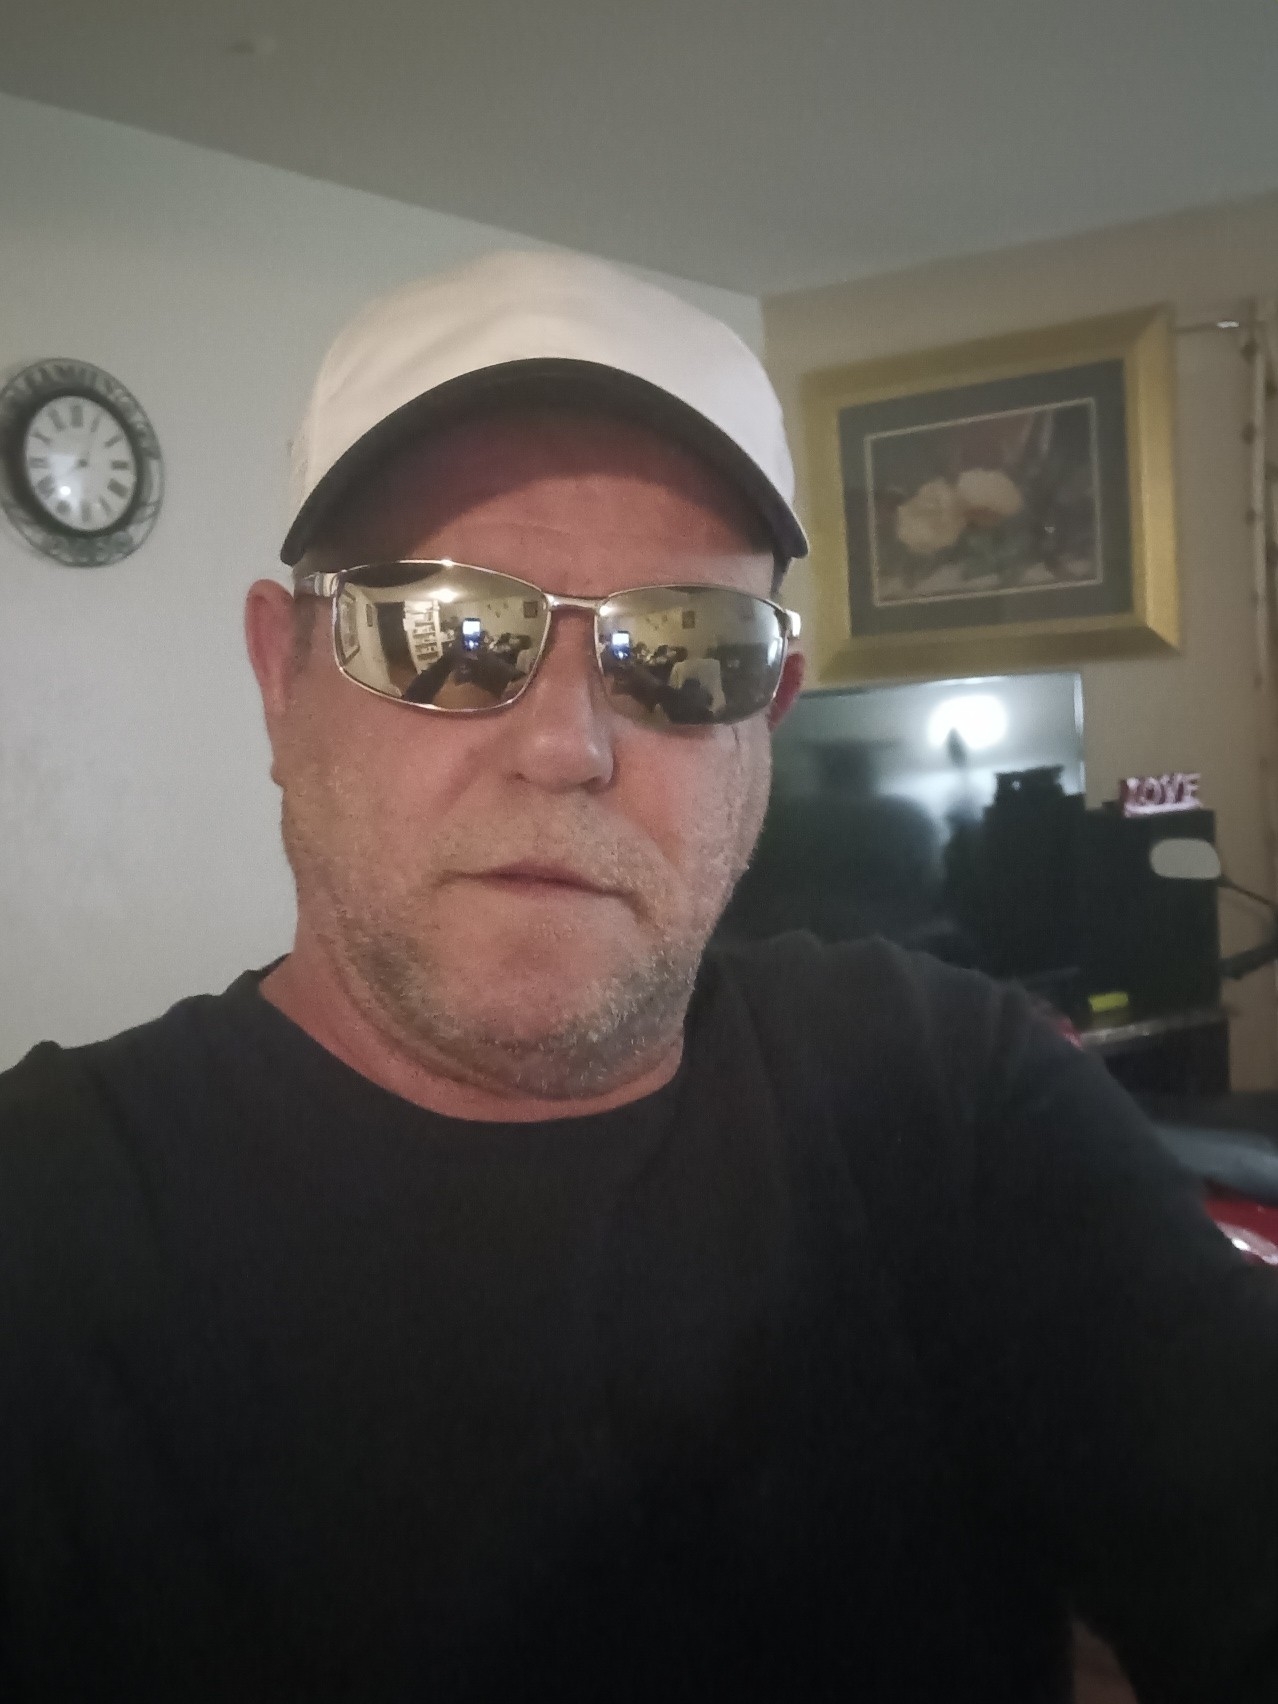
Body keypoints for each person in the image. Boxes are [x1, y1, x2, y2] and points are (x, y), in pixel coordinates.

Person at [0, 250, 1274, 1704]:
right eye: (446, 631)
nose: (568, 747)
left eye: (684, 651)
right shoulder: (45, 1229)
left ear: (765, 718)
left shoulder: (946, 1094)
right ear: (283, 679)